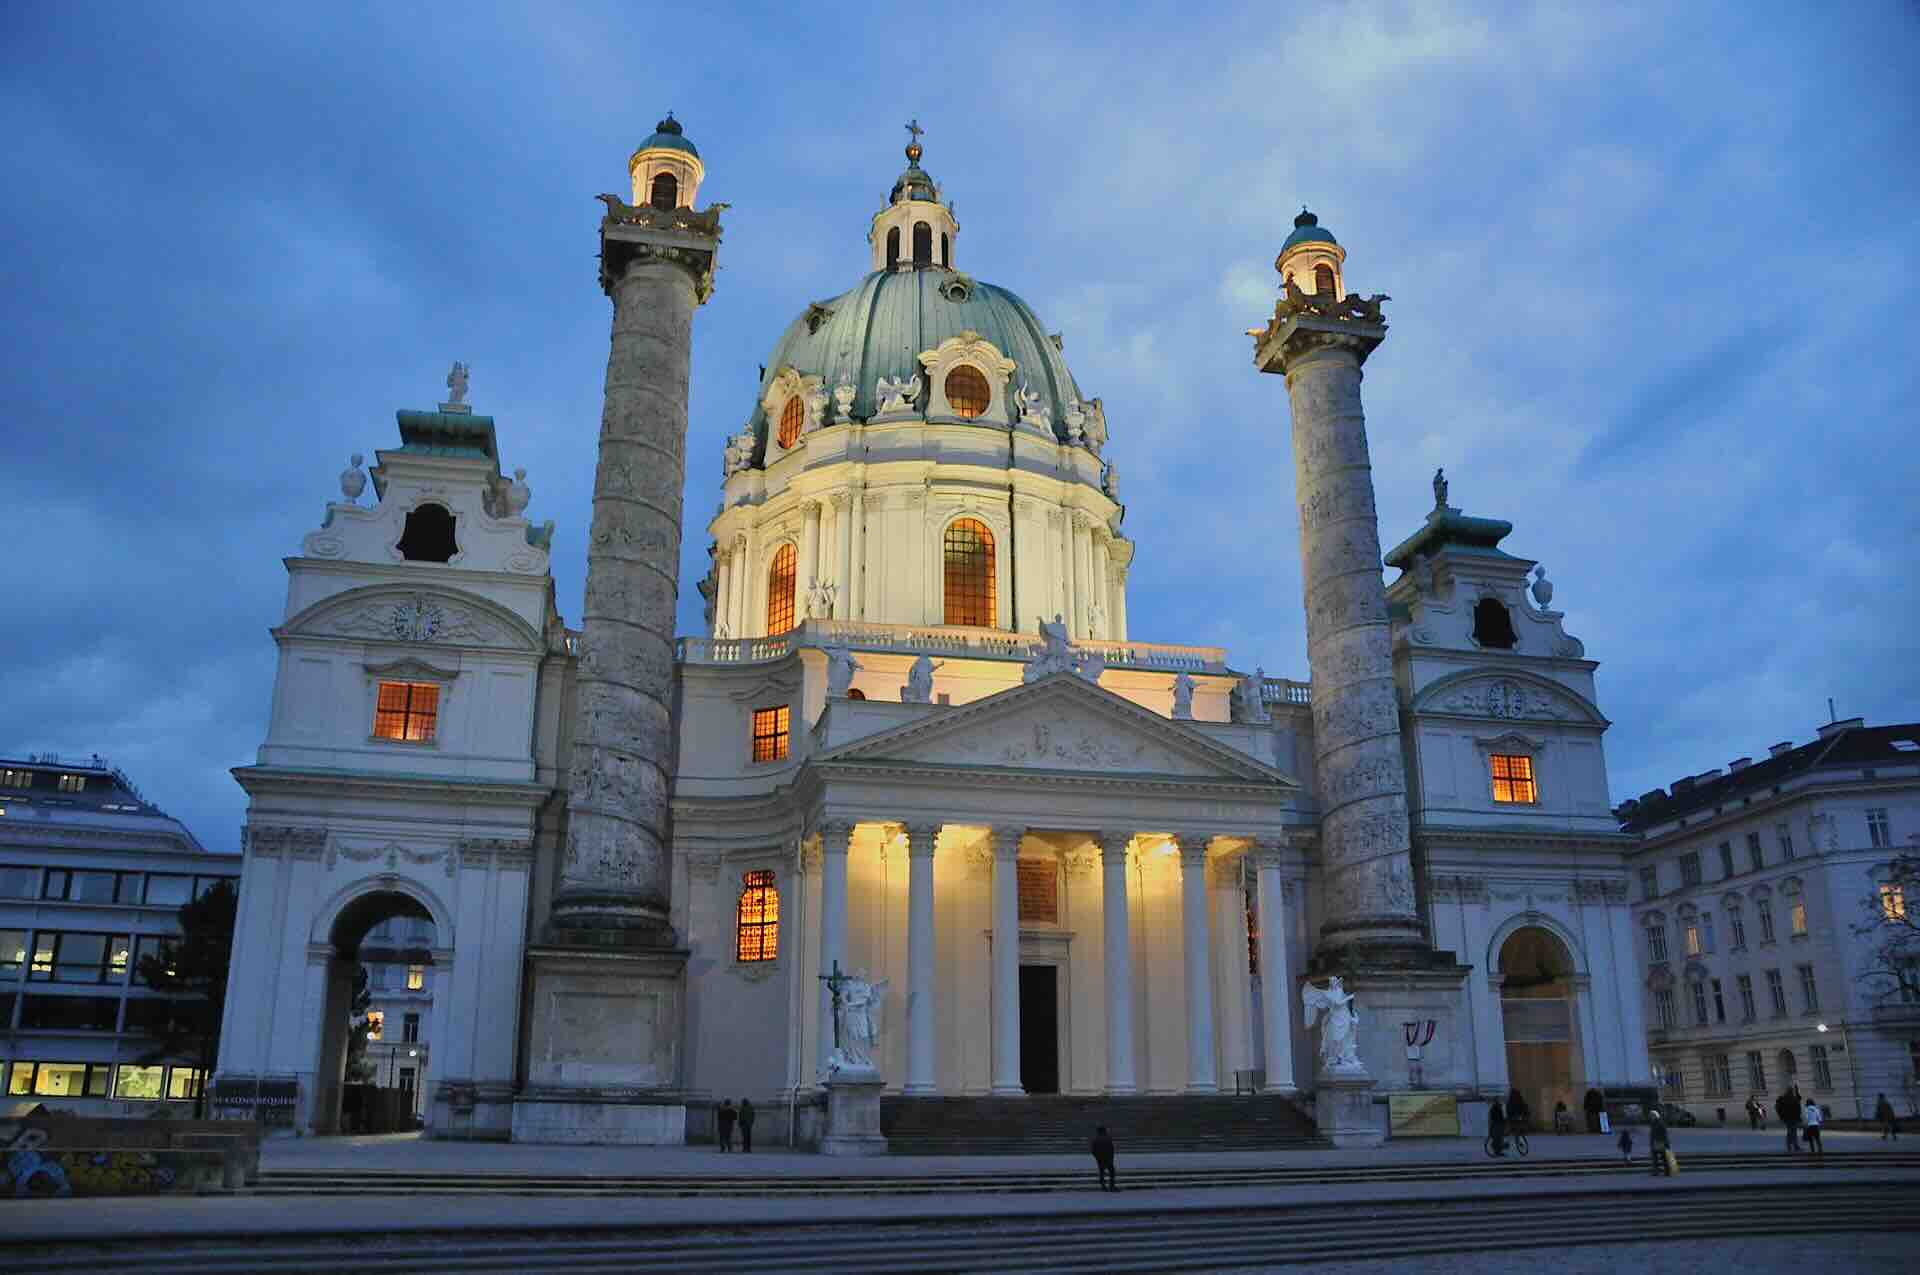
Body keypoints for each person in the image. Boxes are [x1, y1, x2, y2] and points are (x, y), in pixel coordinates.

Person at [1091, 1125, 1117, 1192]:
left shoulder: (1096, 1139)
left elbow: (1093, 1150)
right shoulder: (1106, 1138)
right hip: (1107, 1158)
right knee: (1111, 1172)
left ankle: (1104, 1186)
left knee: (1102, 1173)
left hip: (1102, 1159)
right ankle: (1111, 1186)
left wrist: (1097, 1158)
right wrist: (1111, 1157)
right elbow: (1111, 1149)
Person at [1648, 1109, 1672, 1177]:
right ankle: (1656, 1171)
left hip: (1660, 1143)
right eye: (1650, 1116)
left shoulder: (1660, 1123)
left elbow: (1664, 1134)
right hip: (1655, 1143)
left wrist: (1665, 1143)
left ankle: (1667, 1171)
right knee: (1655, 1158)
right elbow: (1652, 1134)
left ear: (1656, 1116)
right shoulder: (1653, 1123)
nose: (1651, 1117)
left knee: (1663, 1158)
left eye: (1652, 1116)